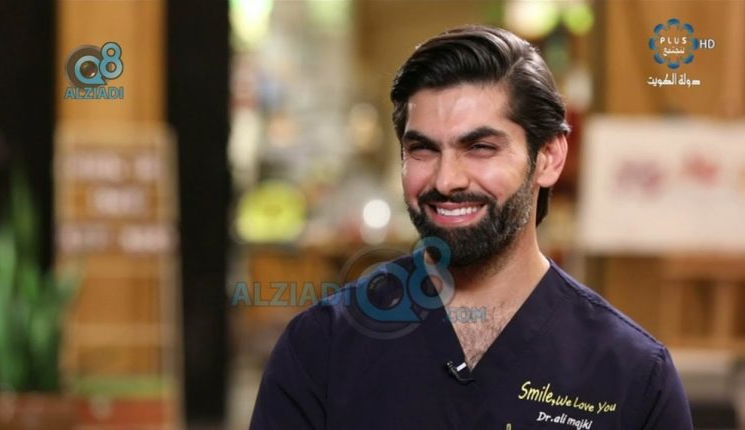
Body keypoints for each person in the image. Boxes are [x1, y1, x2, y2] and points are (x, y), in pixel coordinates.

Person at [250, 25, 693, 429]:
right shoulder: (322, 349)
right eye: (423, 150)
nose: (446, 180)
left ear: (549, 157)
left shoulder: (632, 376)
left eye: (480, 147)